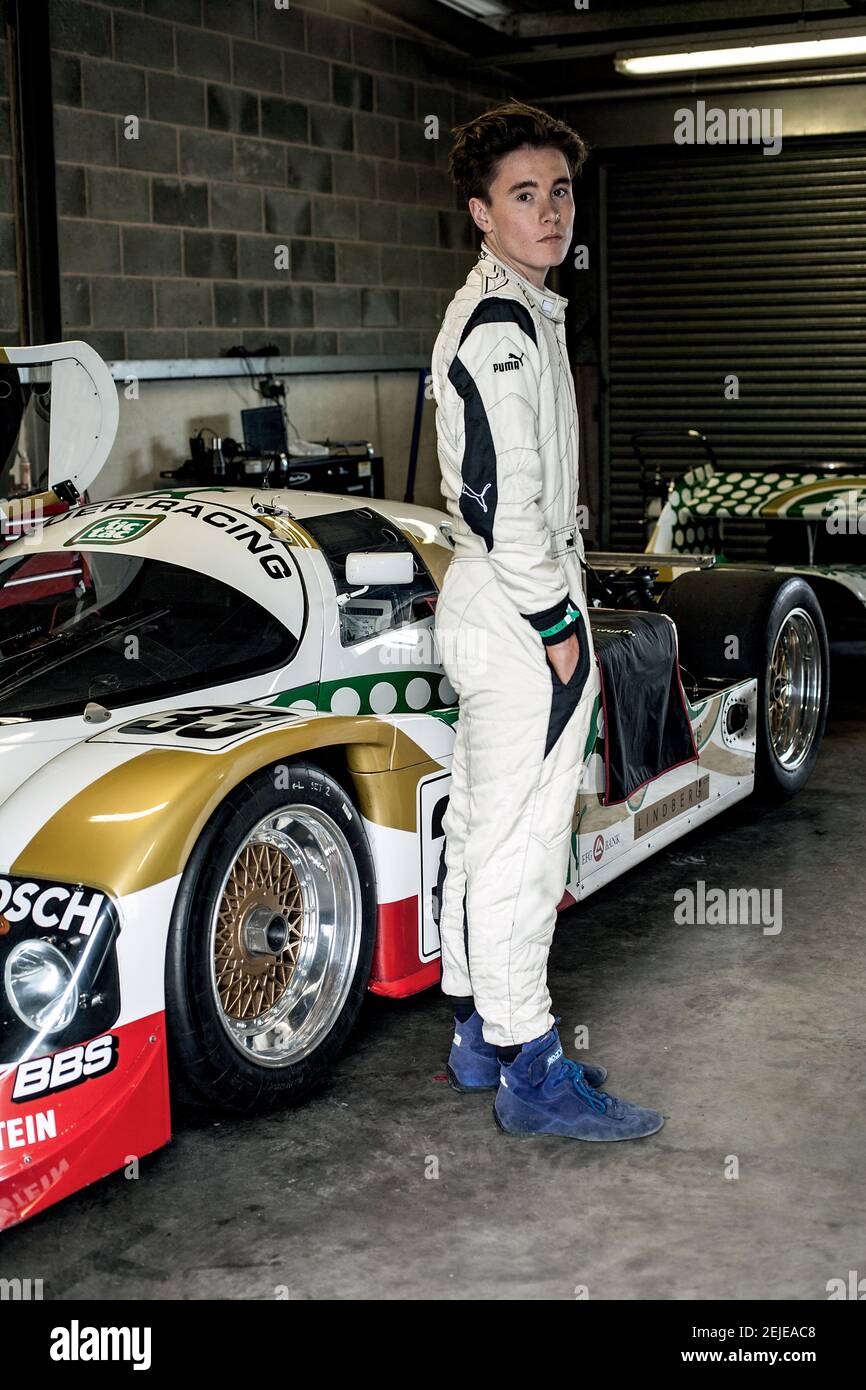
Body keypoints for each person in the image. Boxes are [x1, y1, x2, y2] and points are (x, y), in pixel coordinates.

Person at [431, 100, 664, 1141]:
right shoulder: (501, 331)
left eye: (558, 190)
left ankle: (483, 1035)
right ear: (481, 213)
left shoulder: (523, 309)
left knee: (491, 826)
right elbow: (502, 500)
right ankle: (530, 1063)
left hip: (497, 599)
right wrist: (556, 625)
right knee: (524, 841)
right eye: (521, 195)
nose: (548, 211)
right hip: (517, 603)